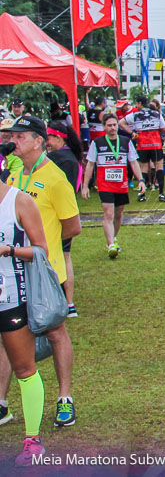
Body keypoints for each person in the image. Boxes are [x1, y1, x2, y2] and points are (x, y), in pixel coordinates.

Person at [0, 115, 80, 428]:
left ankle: (65, 399)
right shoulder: (15, 171)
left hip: (45, 271)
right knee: (8, 337)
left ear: (38, 141)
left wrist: (40, 246)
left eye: (20, 137)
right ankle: (3, 403)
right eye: (12, 136)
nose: (13, 142)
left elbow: (72, 226)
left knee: (56, 332)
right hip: (13, 271)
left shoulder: (55, 177)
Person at [0, 171, 51, 465]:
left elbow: (41, 250)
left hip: (12, 299)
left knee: (24, 368)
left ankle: (33, 440)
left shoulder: (19, 201)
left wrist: (8, 250)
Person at [82, 113, 146, 258]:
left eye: (115, 125)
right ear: (104, 127)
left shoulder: (125, 142)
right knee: (108, 213)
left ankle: (114, 238)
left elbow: (134, 162)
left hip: (121, 184)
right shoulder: (97, 143)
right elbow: (90, 165)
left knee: (118, 214)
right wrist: (85, 185)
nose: (112, 128)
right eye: (109, 125)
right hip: (104, 184)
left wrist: (141, 180)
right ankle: (110, 244)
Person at [44, 121, 83, 315]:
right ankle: (68, 303)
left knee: (58, 257)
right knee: (65, 256)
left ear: (58, 138)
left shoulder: (56, 158)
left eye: (48, 138)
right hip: (69, 211)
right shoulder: (72, 157)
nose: (46, 143)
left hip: (57, 215)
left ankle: (65, 301)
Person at [120, 95, 165, 202]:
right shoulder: (156, 114)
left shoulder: (135, 114)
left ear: (140, 103)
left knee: (143, 169)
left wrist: (132, 132)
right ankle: (161, 193)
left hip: (142, 144)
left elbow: (121, 123)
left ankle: (142, 194)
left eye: (137, 104)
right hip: (155, 144)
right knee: (159, 167)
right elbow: (164, 129)